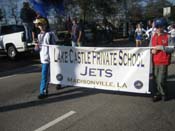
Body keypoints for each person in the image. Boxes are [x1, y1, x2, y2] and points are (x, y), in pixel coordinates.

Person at [33, 18, 58, 99]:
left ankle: (45, 90)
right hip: (43, 58)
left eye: (41, 24)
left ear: (45, 25)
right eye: (39, 25)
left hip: (51, 58)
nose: (40, 26)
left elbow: (55, 46)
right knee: (46, 75)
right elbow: (37, 49)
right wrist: (36, 45)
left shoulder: (50, 34)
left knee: (50, 73)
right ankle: (45, 90)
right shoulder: (38, 35)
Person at [151, 18, 174, 102]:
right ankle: (158, 93)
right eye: (156, 27)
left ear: (163, 27)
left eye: (159, 27)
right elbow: (150, 47)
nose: (158, 29)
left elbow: (172, 49)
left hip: (163, 61)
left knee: (161, 79)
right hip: (154, 61)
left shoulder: (168, 36)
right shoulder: (153, 36)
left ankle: (164, 93)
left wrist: (161, 47)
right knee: (155, 79)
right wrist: (151, 50)